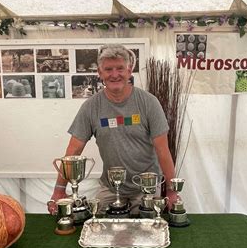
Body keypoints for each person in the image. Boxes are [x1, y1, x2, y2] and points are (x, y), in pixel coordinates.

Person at [49, 44, 178, 216]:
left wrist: (171, 191)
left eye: (120, 68)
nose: (115, 74)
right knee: (99, 224)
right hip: (110, 187)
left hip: (145, 188)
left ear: (129, 70)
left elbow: (162, 150)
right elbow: (73, 150)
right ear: (100, 73)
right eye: (108, 69)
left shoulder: (149, 103)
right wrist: (59, 190)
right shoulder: (91, 107)